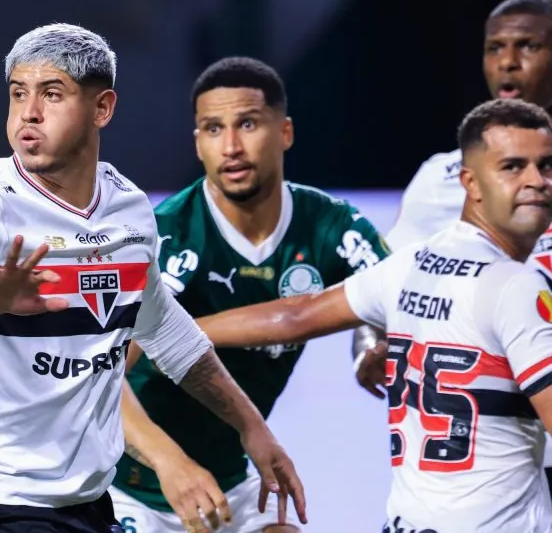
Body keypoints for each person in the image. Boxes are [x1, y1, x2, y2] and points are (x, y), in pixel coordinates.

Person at [0, 23, 308, 533]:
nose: (29, 113)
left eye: (52, 94)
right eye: (18, 94)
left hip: (87, 504)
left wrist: (252, 429)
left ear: (102, 108)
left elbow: (166, 331)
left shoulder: (128, 211)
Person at [193, 98, 552, 532]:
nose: (537, 181)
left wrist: (177, 332)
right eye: (513, 167)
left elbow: (294, 315)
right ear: (471, 183)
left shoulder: (412, 263)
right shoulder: (516, 285)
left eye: (546, 166)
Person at [106, 57, 389, 533]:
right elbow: (101, 377)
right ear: (198, 143)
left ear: (286, 133)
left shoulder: (332, 227)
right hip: (132, 484)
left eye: (249, 124)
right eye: (213, 129)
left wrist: (369, 342)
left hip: (232, 481)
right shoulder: (165, 237)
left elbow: (393, 290)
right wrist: (172, 464)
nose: (231, 147)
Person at [357, 0, 552, 486]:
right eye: (494, 48)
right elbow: (382, 285)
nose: (507, 62)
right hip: (481, 453)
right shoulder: (442, 177)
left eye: (528, 46)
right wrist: (370, 345)